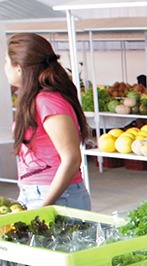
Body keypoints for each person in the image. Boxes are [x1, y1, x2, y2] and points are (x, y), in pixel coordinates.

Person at [5, 33, 91, 210]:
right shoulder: (34, 100)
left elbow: (72, 158)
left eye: (6, 62)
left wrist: (43, 205)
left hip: (56, 196)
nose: (4, 67)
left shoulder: (47, 101)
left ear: (19, 67)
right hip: (35, 193)